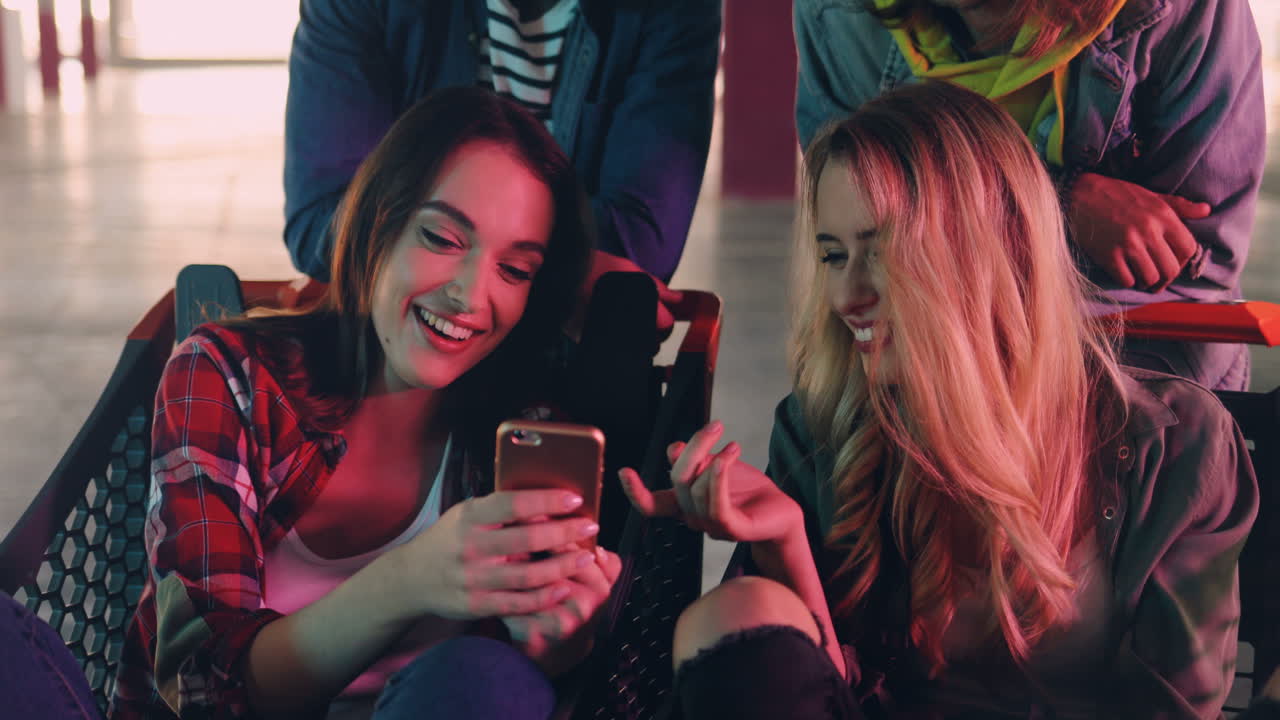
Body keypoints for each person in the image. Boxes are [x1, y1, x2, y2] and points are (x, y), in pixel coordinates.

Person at [620, 81, 1260, 719]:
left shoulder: (1178, 443)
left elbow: (1176, 708)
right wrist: (786, 544)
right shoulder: (821, 424)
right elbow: (806, 691)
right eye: (834, 256)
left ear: (993, 251)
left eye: (883, 252)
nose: (848, 296)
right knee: (733, 614)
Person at [107, 87, 619, 720]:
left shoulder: (523, 439)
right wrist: (411, 580)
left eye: (515, 271)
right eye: (442, 237)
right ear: (379, 220)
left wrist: (557, 647)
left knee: (487, 679)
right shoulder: (228, 376)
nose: (470, 295)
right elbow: (203, 691)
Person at [793, 0, 1264, 391]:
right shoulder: (836, 13)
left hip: (1129, 384)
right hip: (917, 376)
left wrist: (936, 237)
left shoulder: (1182, 11)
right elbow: (851, 226)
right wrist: (1058, 205)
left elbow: (1195, 265)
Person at [285, 0, 722, 329]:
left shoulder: (672, 9)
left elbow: (640, 249)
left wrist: (422, 237)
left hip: (569, 378)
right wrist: (569, 269)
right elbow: (322, 224)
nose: (471, 291)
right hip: (386, 358)